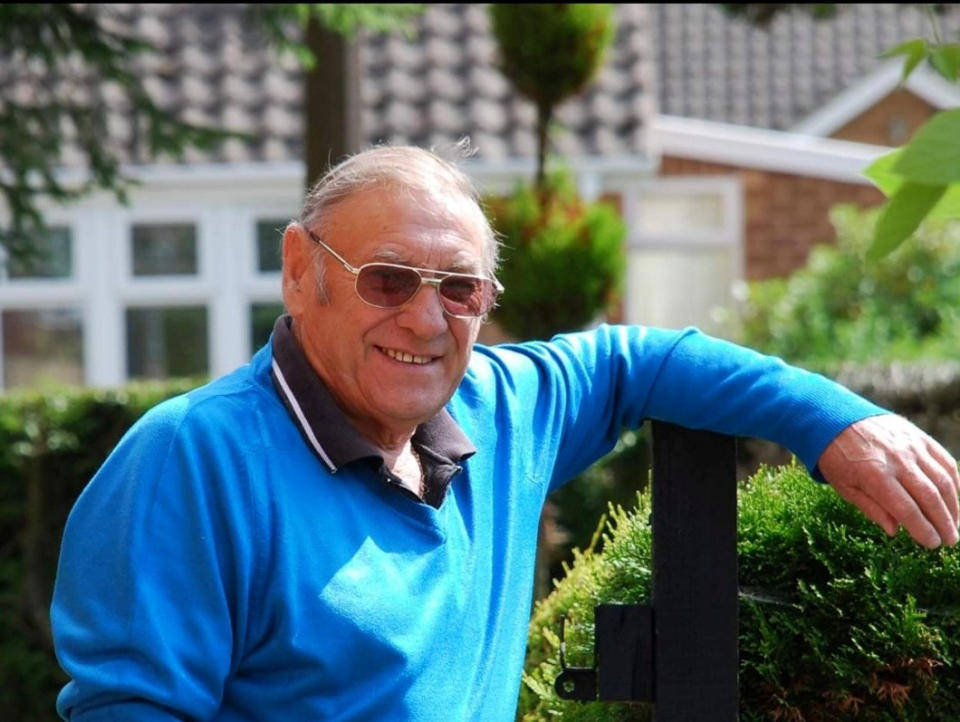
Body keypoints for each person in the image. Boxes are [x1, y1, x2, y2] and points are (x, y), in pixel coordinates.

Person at [51, 144, 960, 721]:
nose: (424, 318)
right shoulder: (191, 460)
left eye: (460, 289)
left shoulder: (496, 407)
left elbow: (638, 359)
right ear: (301, 272)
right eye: (387, 279)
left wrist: (839, 421)